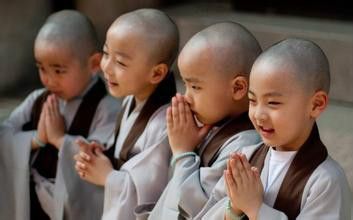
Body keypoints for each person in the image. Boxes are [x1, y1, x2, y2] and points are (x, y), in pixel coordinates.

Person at [201, 38, 352, 220]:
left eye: (273, 103)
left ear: (316, 104)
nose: (258, 115)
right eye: (252, 100)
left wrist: (255, 208)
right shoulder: (245, 159)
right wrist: (234, 209)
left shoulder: (326, 181)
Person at [0, 10, 119, 220]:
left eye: (58, 70)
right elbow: (4, 135)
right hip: (32, 204)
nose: (49, 80)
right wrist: (37, 139)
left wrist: (60, 140)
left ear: (93, 64)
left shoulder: (107, 108)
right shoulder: (37, 99)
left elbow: (102, 158)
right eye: (41, 69)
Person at [145, 22, 262, 220]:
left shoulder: (243, 148)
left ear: (238, 88)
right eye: (186, 85)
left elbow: (197, 210)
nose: (186, 97)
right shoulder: (216, 127)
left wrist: (183, 153)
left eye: (195, 87)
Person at [73, 8, 179, 220]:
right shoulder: (132, 98)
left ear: (156, 73)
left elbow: (150, 194)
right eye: (105, 54)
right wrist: (103, 153)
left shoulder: (164, 124)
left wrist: (107, 177)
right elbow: (127, 156)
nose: (107, 67)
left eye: (120, 62)